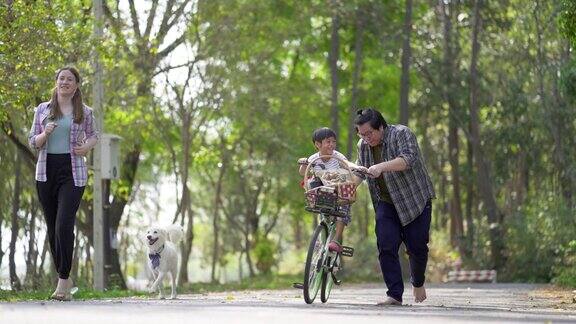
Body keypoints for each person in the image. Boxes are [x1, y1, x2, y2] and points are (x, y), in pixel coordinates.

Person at [28, 67, 99, 301]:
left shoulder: (85, 112)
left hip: (73, 172)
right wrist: (45, 134)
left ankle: (62, 279)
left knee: (63, 225)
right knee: (51, 228)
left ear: (77, 85)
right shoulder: (42, 110)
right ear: (56, 82)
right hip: (46, 172)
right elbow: (33, 142)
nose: (65, 82)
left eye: (70, 79)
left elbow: (94, 135)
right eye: (61, 78)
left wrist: (87, 146)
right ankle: (65, 278)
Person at [353, 108, 435, 306]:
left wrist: (381, 166)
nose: (365, 138)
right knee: (386, 244)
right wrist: (347, 188)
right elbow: (360, 171)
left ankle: (418, 282)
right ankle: (394, 294)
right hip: (386, 202)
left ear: (381, 127)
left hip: (414, 200)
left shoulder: (401, 133)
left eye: (369, 133)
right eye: (361, 134)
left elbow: (408, 159)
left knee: (417, 247)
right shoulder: (363, 146)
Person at [298, 127, 362, 253]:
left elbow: (348, 165)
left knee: (345, 204)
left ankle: (336, 240)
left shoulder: (337, 157)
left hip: (337, 191)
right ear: (317, 144)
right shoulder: (314, 159)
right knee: (314, 183)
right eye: (328, 141)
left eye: (333, 141)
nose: (331, 144)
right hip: (322, 192)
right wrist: (304, 164)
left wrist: (357, 168)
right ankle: (321, 240)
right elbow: (302, 173)